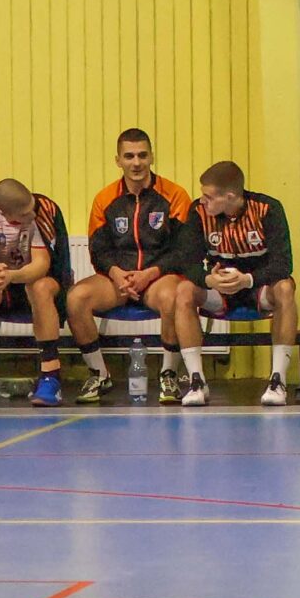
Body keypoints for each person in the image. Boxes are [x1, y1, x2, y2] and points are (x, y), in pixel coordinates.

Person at [69, 128, 206, 406]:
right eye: (129, 156)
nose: (136, 163)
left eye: (142, 155)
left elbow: (184, 250)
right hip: (118, 279)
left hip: (158, 277)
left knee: (174, 296)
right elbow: (98, 249)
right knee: (75, 298)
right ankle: (99, 373)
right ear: (118, 160)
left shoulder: (175, 195)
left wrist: (150, 274)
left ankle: (168, 374)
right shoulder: (104, 199)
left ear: (152, 157)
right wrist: (116, 273)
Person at [0, 179, 72, 409]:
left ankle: (50, 375)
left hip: (36, 279)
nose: (32, 215)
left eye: (31, 208)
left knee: (39, 287)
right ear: (4, 212)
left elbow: (41, 264)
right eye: (24, 214)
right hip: (2, 284)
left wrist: (12, 276)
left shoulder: (44, 210)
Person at [195, 161, 297, 408]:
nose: (203, 201)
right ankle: (196, 381)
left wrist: (247, 280)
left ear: (230, 197)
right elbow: (184, 261)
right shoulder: (197, 212)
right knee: (182, 290)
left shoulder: (267, 209)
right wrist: (209, 278)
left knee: (285, 287)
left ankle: (278, 380)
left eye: (209, 197)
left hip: (257, 287)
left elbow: (283, 264)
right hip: (219, 289)